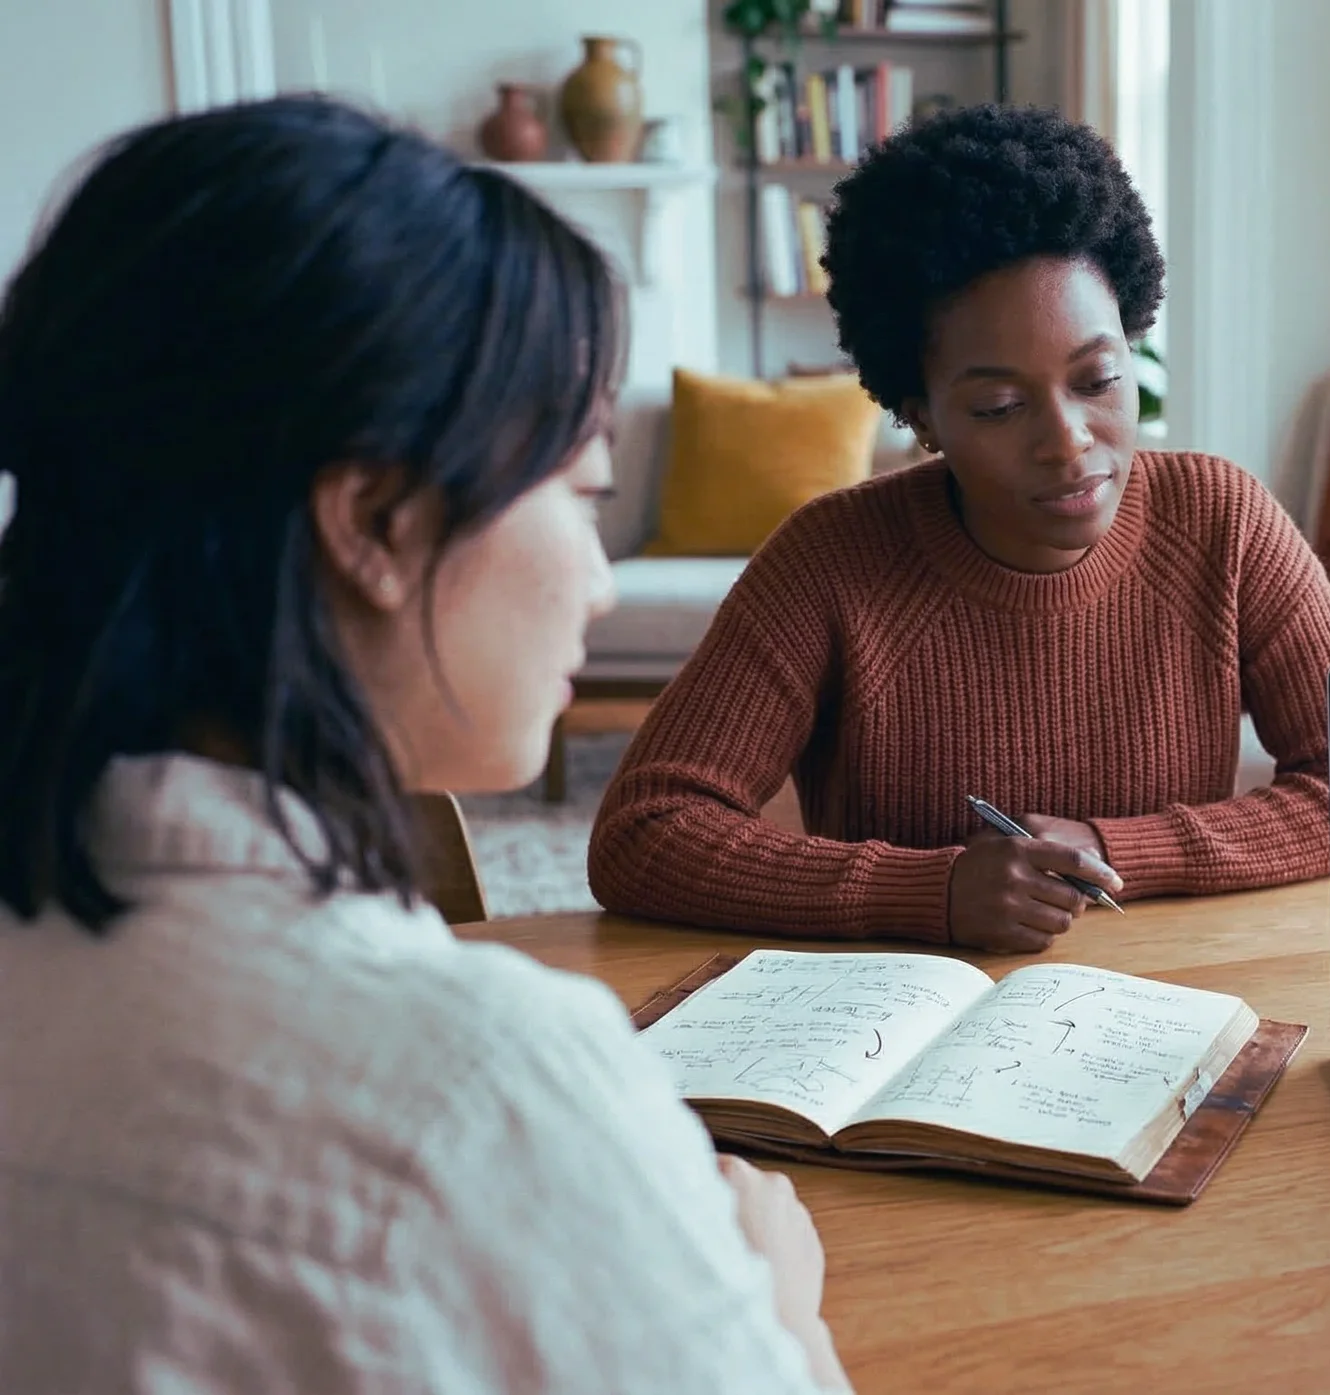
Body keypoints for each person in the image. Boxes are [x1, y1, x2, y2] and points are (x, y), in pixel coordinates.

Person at [0, 98, 847, 1392]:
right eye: (580, 495)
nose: (602, 586)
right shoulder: (476, 1083)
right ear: (378, 521)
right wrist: (780, 1309)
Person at [588, 105, 1330, 952]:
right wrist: (933, 888)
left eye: (1100, 379)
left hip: (1165, 1004)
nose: (1069, 439)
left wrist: (1112, 849)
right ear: (922, 418)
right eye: (999, 406)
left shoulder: (1222, 520)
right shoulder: (830, 560)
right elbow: (645, 831)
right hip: (901, 1029)